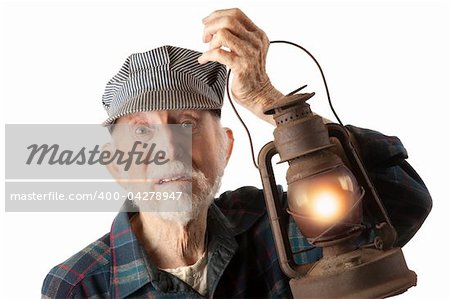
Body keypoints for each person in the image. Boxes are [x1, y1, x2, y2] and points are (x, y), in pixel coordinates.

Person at [41, 8, 432, 298]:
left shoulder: (275, 225)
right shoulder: (77, 286)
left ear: (226, 147)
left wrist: (272, 103)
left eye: (187, 124)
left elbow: (401, 199)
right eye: (142, 131)